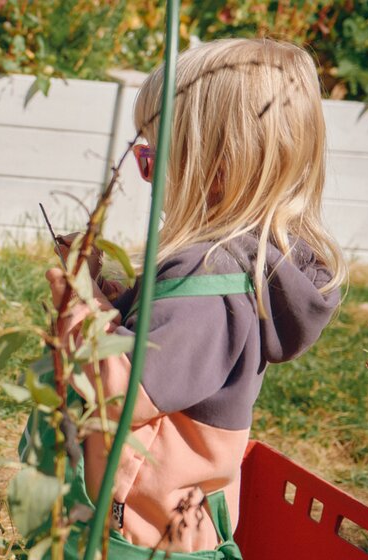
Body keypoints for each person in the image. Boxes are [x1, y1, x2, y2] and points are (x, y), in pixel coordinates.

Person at [39, 38, 346, 558]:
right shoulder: (234, 274)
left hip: (138, 541)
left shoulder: (210, 280)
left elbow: (123, 393)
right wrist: (116, 296)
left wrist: (79, 308)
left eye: (150, 159)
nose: (144, 175)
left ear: (217, 170)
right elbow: (168, 359)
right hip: (168, 531)